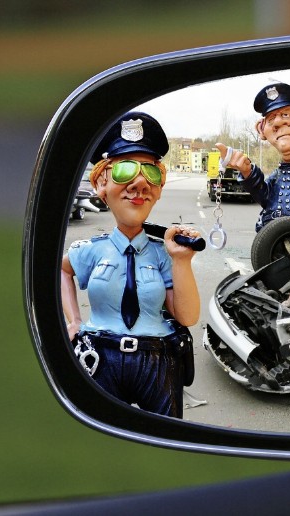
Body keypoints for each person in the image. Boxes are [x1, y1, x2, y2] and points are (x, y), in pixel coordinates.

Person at [60, 112, 202, 419]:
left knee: (165, 434)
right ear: (101, 183)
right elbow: (62, 269)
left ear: (159, 187)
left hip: (157, 360)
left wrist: (181, 260)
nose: (139, 183)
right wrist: (73, 322)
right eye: (125, 170)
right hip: (101, 358)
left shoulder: (162, 253)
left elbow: (187, 315)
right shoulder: (91, 250)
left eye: (150, 173)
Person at [216, 82, 290, 235]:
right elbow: (265, 198)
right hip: (272, 242)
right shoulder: (277, 176)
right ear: (261, 129)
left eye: (286, 115)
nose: (278, 122)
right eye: (271, 120)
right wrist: (247, 172)